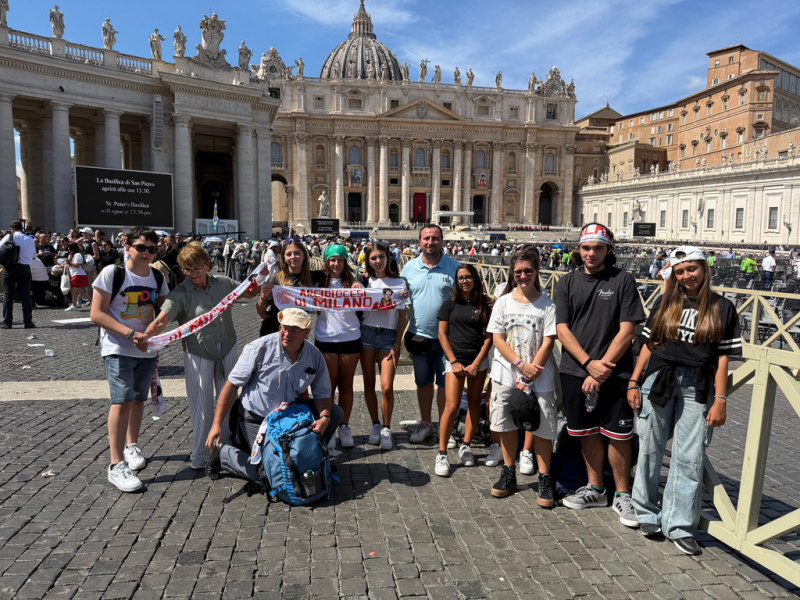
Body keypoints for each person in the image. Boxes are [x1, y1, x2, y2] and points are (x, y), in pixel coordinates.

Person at [628, 247, 741, 554]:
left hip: (698, 385)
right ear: (674, 275)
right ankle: (645, 511)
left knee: (689, 456)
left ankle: (678, 524)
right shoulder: (667, 302)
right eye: (680, 271)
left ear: (704, 268)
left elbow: (722, 359)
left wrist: (720, 400)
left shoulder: (723, 307)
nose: (687, 276)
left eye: (692, 269)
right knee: (650, 448)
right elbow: (649, 344)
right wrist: (634, 380)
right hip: (659, 378)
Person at [555, 223, 645, 528]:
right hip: (575, 370)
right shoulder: (566, 282)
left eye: (597, 248)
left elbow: (628, 329)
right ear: (578, 250)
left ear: (609, 250)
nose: (591, 253)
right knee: (587, 432)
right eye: (586, 248)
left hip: (614, 372)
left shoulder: (623, 280)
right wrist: (587, 363)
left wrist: (601, 366)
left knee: (619, 435)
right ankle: (596, 488)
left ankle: (623, 493)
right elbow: (562, 329)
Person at [140, 242, 260, 469]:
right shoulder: (180, 293)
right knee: (201, 405)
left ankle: (225, 449)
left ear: (207, 265)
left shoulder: (223, 283)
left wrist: (261, 278)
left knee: (229, 401)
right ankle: (202, 454)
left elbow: (250, 292)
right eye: (186, 269)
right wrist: (146, 336)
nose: (191, 274)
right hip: (198, 353)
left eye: (195, 269)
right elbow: (161, 321)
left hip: (227, 348)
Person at [204, 308, 344, 482]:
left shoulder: (314, 356)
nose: (286, 334)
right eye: (284, 328)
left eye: (294, 330)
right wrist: (217, 424)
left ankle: (311, 454)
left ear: (306, 333)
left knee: (336, 413)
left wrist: (324, 418)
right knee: (271, 476)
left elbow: (323, 394)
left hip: (287, 415)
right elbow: (231, 385)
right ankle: (224, 454)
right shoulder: (259, 348)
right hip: (256, 417)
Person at [90, 226, 169, 492]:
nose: (146, 253)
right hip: (117, 347)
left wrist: (152, 334)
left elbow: (162, 313)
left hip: (146, 349)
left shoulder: (158, 277)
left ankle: (132, 446)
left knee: (138, 399)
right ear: (128, 247)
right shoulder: (112, 273)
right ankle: (116, 465)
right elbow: (97, 314)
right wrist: (130, 333)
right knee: (121, 400)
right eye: (141, 247)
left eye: (151, 248)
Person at [486, 247, 558, 501]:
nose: (523, 276)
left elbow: (549, 341)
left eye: (528, 271)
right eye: (518, 272)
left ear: (537, 271)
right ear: (511, 273)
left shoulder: (548, 304)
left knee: (543, 427)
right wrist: (520, 364)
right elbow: (497, 338)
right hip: (506, 372)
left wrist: (531, 371)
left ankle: (545, 477)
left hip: (539, 375)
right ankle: (509, 471)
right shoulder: (503, 302)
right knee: (505, 423)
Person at [401, 224, 461, 443]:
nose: (430, 242)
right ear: (420, 242)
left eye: (435, 238)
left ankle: (446, 427)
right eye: (426, 238)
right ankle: (426, 423)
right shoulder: (408, 268)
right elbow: (397, 298)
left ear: (442, 241)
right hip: (420, 335)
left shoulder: (455, 267)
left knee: (446, 386)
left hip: (449, 339)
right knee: (423, 383)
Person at [435, 264, 492, 476]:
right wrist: (454, 361)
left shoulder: (485, 304)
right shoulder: (449, 303)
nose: (464, 281)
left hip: (478, 360)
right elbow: (442, 334)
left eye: (468, 277)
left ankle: (466, 444)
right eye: (460, 278)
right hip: (454, 360)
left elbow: (489, 337)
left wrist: (477, 362)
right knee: (451, 405)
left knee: (476, 402)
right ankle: (441, 452)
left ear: (475, 279)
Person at [314, 245, 362, 448]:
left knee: (346, 385)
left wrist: (358, 291)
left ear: (345, 262)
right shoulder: (317, 282)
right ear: (326, 261)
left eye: (340, 260)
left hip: (350, 336)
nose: (336, 264)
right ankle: (329, 426)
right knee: (328, 387)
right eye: (332, 260)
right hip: (326, 338)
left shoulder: (355, 282)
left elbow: (368, 303)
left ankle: (344, 426)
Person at [360, 243, 406, 450]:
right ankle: (375, 424)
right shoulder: (362, 281)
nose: (377, 261)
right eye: (373, 258)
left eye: (381, 257)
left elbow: (402, 316)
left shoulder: (399, 282)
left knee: (387, 386)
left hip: (388, 337)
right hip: (366, 333)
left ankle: (387, 427)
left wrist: (397, 344)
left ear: (388, 257)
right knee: (368, 383)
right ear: (368, 261)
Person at [258, 239, 320, 337]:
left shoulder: (313, 277)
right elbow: (259, 310)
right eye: (289, 254)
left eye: (297, 253)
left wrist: (353, 281)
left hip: (298, 331)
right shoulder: (276, 277)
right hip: (274, 329)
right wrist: (264, 296)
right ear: (283, 257)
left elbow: (338, 273)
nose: (293, 257)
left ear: (304, 256)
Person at [0, 220, 36, 329]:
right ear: (22, 228)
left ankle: (7, 322)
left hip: (10, 268)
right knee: (25, 295)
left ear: (11, 229)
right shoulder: (29, 240)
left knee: (8, 295)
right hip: (24, 268)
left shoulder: (9, 237)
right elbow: (33, 256)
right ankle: (28, 322)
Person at [64, 242, 93, 311]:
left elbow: (77, 265)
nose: (68, 248)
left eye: (69, 247)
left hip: (78, 275)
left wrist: (69, 261)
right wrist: (61, 266)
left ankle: (74, 305)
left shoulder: (77, 255)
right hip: (77, 275)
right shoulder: (73, 255)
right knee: (78, 292)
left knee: (74, 291)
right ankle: (91, 302)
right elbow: (71, 265)